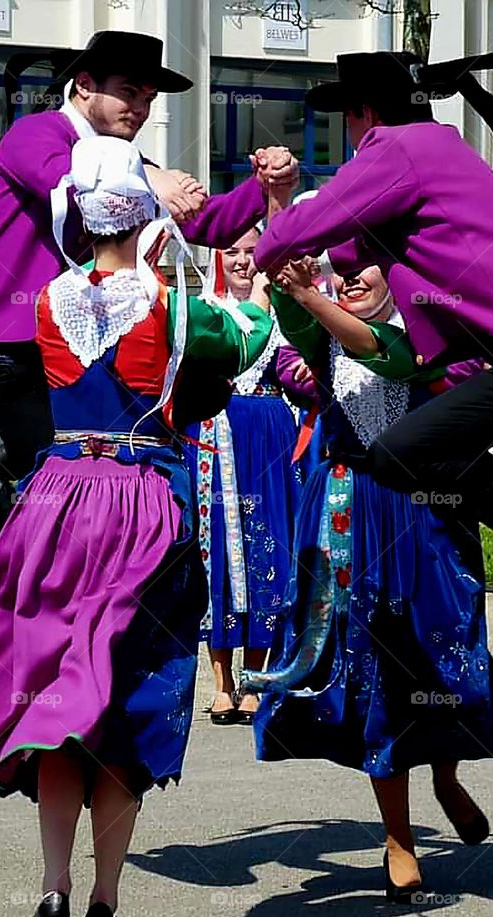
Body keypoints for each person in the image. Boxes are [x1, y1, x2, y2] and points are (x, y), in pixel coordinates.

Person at [0, 137, 274, 917]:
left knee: (56, 694)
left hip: (54, 500)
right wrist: (262, 275)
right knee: (127, 706)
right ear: (147, 218)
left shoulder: (46, 301)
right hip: (137, 504)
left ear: (80, 220)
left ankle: (53, 884)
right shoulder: (174, 306)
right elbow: (249, 341)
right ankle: (102, 904)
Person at [254, 49, 493, 630]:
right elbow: (336, 248)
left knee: (400, 454)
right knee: (420, 453)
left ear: (365, 112)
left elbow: (290, 239)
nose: (349, 136)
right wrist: (269, 207)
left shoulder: (397, 148)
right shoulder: (438, 156)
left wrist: (269, 237)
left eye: (347, 120)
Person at [245, 249, 493, 901]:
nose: (353, 276)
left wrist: (311, 297)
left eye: (369, 266)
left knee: (445, 656)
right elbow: (294, 315)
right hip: (348, 514)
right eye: (343, 267)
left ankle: (446, 778)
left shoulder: (420, 340)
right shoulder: (321, 334)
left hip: (427, 513)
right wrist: (278, 216)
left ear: (400, 277)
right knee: (376, 671)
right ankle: (398, 836)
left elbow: (381, 350)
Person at [0, 30, 297, 484]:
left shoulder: (125, 161)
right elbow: (68, 185)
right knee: (66, 479)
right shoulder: (36, 133)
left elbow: (204, 223)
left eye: (148, 98)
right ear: (84, 84)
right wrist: (150, 181)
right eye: (128, 92)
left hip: (87, 352)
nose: (140, 109)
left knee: (111, 474)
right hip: (13, 353)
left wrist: (263, 187)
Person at [189, 229, 302, 725]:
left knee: (266, 546)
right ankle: (221, 680)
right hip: (216, 434)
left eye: (249, 252)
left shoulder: (283, 316)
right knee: (215, 549)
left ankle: (256, 676)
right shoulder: (203, 310)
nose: (240, 261)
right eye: (229, 252)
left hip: (268, 437)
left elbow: (298, 372)